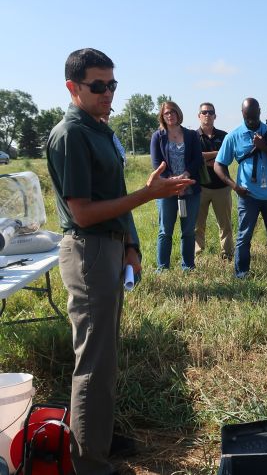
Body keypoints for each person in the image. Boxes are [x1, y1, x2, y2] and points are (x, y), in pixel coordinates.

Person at [46, 48, 193, 475]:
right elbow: (84, 212)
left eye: (113, 84)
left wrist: (131, 245)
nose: (108, 93)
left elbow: (111, 194)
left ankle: (99, 440)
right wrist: (148, 196)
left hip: (109, 247)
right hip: (88, 250)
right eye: (98, 86)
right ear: (73, 88)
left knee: (106, 354)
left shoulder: (99, 128)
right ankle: (89, 463)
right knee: (93, 360)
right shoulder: (72, 134)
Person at [214, 98, 267, 277]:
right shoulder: (234, 136)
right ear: (242, 114)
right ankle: (242, 272)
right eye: (247, 117)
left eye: (253, 116)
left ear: (260, 112)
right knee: (244, 237)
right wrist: (234, 187)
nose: (251, 120)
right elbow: (218, 164)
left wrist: (264, 147)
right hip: (248, 195)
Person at [150, 101, 203, 271]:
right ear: (162, 116)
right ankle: (162, 268)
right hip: (166, 190)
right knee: (165, 231)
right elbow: (156, 163)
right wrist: (172, 181)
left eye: (173, 112)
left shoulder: (191, 135)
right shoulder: (158, 136)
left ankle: (188, 266)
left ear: (178, 113)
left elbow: (197, 160)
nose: (170, 115)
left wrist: (185, 175)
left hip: (190, 189)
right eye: (166, 113)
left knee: (188, 231)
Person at [194, 102, 233, 260]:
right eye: (204, 112)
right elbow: (196, 158)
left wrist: (206, 159)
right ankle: (197, 255)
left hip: (222, 187)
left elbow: (228, 158)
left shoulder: (225, 136)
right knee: (198, 226)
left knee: (225, 225)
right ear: (199, 116)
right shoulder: (193, 136)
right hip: (201, 187)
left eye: (210, 112)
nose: (207, 115)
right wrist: (218, 154)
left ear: (215, 116)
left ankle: (228, 255)